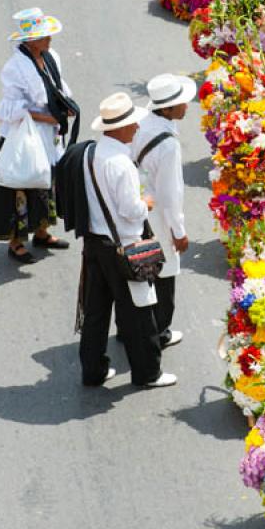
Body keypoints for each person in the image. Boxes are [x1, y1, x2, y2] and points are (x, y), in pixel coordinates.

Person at [79, 92, 177, 387]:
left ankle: (93, 370)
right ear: (119, 128)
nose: (136, 128)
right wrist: (146, 202)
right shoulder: (121, 163)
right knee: (140, 312)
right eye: (132, 124)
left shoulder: (92, 153)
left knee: (95, 311)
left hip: (96, 243)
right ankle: (148, 373)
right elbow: (130, 210)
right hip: (123, 246)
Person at [0, 7, 79, 263]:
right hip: (25, 136)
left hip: (49, 134)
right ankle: (16, 242)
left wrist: (65, 107)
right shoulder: (15, 68)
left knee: (48, 181)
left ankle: (43, 232)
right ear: (31, 40)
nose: (50, 39)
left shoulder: (51, 55)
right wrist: (48, 117)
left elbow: (58, 87)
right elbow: (12, 109)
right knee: (21, 184)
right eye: (45, 36)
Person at [130, 73, 196, 349]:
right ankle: (159, 331)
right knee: (164, 273)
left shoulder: (142, 123)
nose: (187, 107)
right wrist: (178, 232)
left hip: (136, 207)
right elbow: (171, 195)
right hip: (157, 215)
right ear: (166, 109)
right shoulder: (167, 144)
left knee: (139, 270)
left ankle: (131, 327)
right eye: (181, 103)